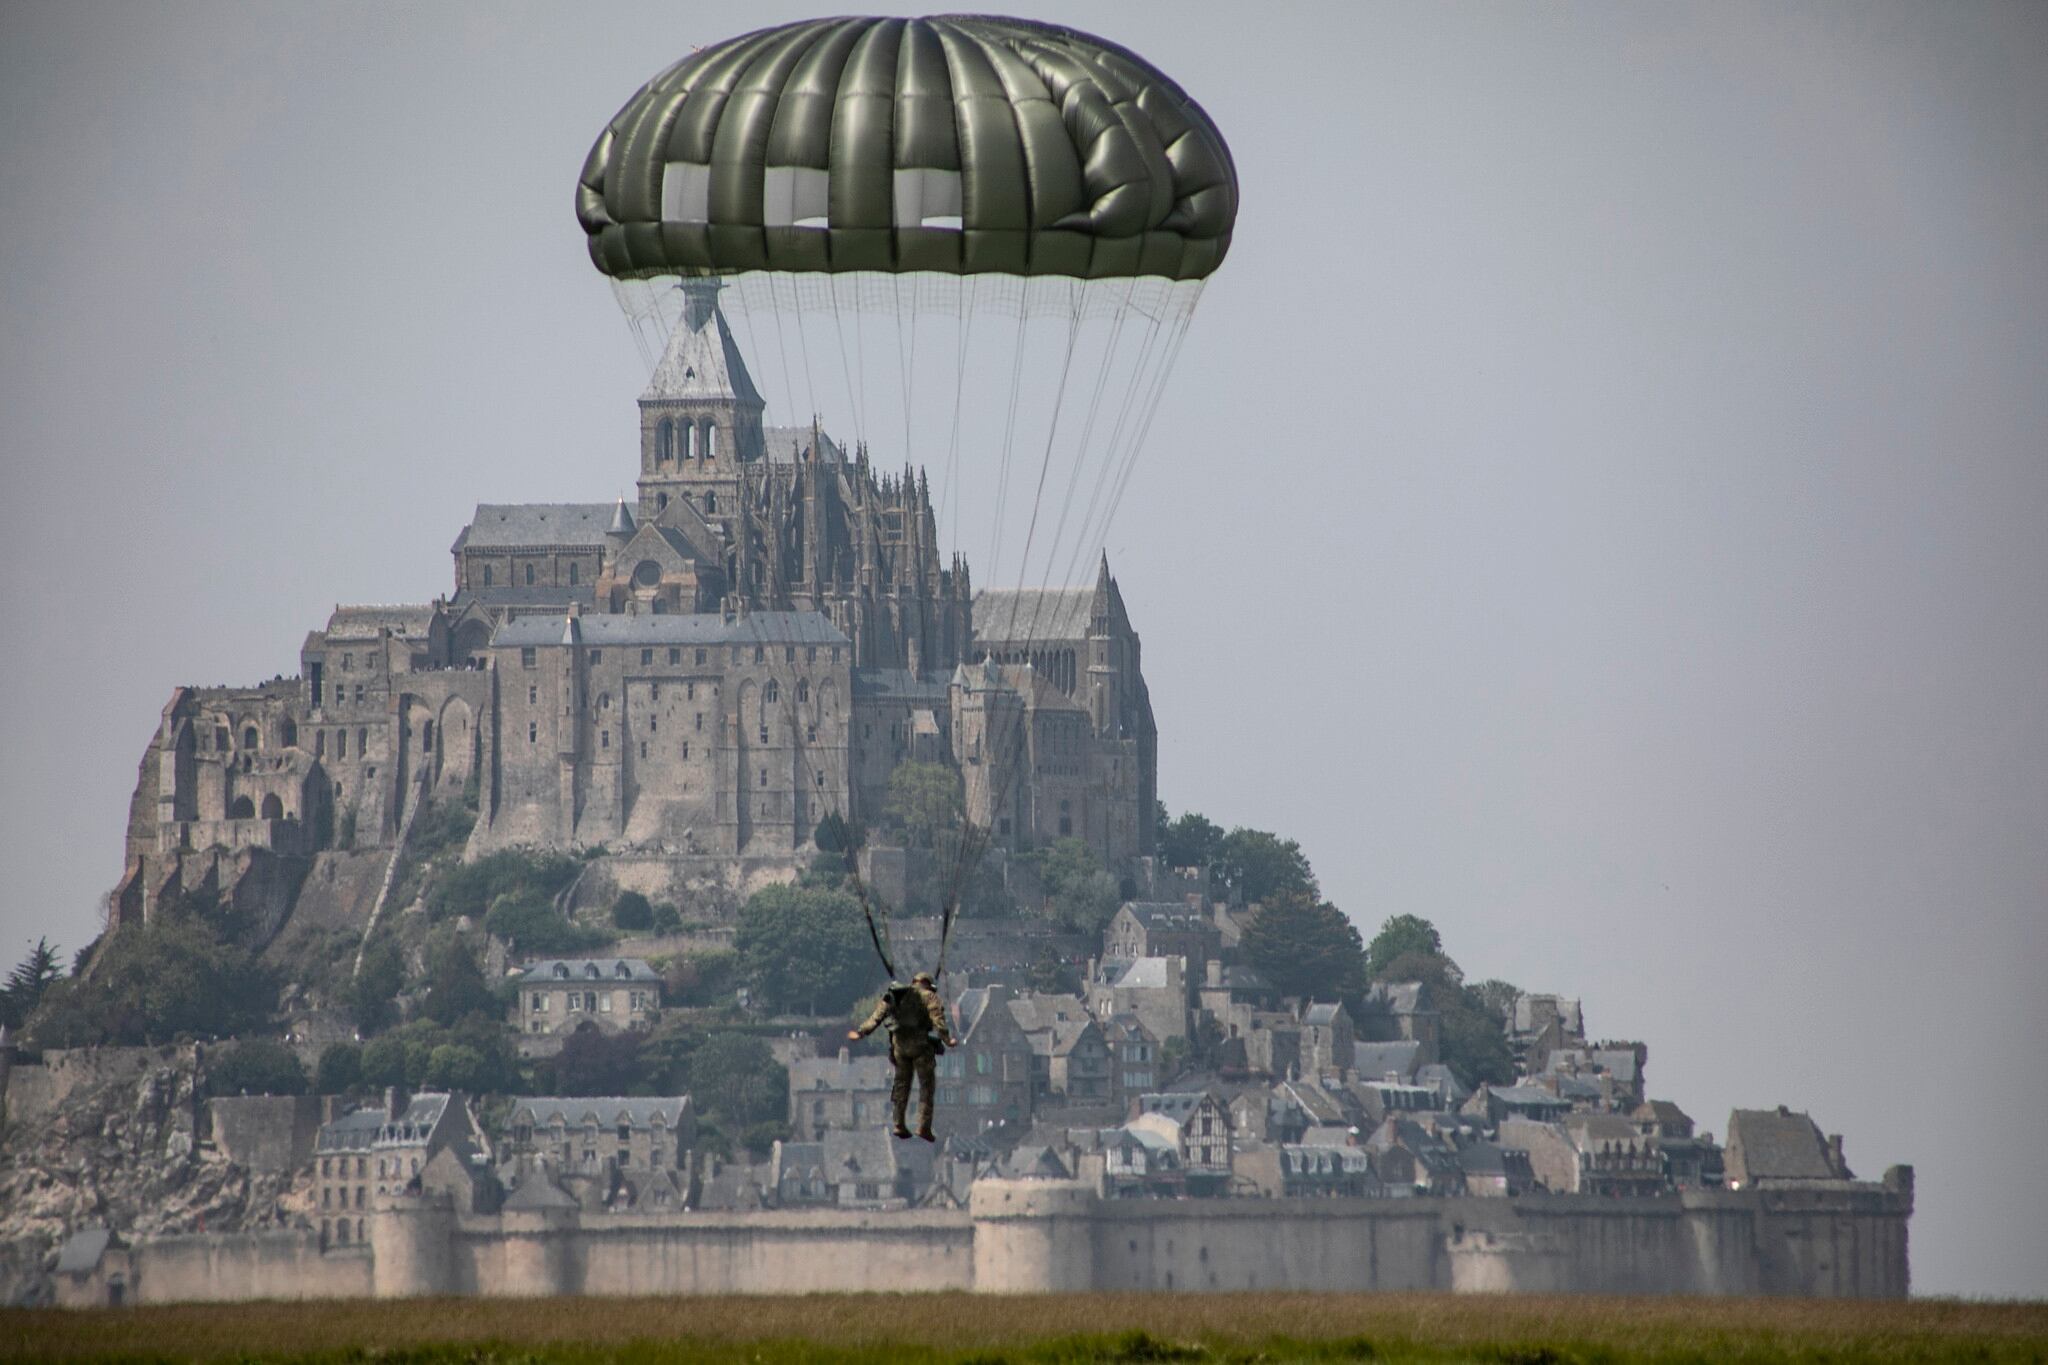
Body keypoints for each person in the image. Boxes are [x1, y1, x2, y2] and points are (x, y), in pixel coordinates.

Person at [849, 970, 957, 1140]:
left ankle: (898, 1124)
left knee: (901, 1085)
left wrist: (862, 1032)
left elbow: (878, 1015)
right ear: (927, 984)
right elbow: (938, 1020)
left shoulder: (898, 994)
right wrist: (947, 1039)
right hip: (920, 1046)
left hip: (899, 1046)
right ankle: (923, 1127)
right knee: (926, 1087)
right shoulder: (929, 996)